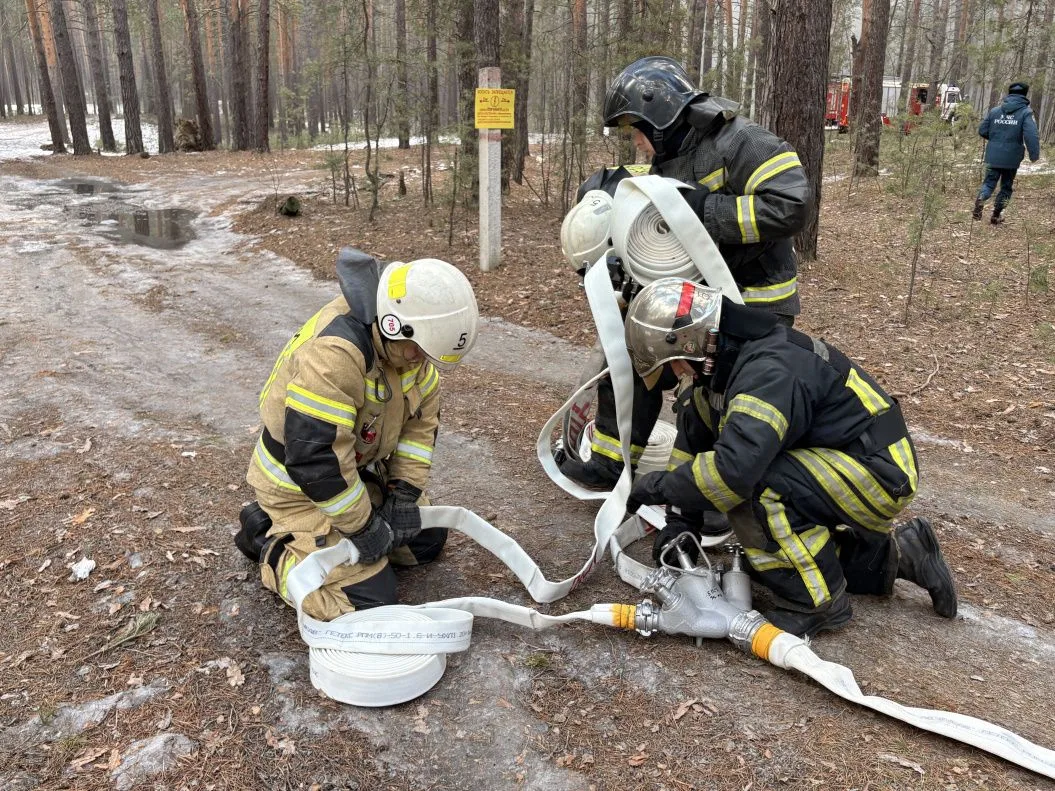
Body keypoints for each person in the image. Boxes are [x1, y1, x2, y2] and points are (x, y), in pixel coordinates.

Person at [622, 278, 957, 637]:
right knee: (767, 551)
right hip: (846, 460)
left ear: (689, 342)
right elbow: (694, 439)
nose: (677, 375)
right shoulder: (726, 370)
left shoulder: (768, 371)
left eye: (673, 364)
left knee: (756, 490)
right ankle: (899, 556)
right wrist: (680, 520)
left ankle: (817, 603)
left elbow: (734, 472)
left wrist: (659, 487)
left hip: (880, 471)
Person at [557, 55, 810, 490]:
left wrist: (705, 211)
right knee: (633, 357)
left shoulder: (741, 141)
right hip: (699, 299)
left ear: (660, 117)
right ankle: (609, 464)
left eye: (637, 129)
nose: (636, 141)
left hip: (752, 302)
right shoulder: (672, 156)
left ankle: (707, 495)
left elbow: (792, 205)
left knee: (713, 400)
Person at [234, 249, 479, 620]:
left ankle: (342, 530)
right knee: (368, 601)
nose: (421, 360)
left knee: (425, 542)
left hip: (355, 473)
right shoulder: (335, 355)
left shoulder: (408, 350)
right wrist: (363, 527)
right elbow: (317, 461)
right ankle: (270, 546)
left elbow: (419, 428)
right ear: (394, 324)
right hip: (301, 489)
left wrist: (403, 495)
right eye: (419, 350)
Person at [973, 82, 1041, 225]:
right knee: (1006, 186)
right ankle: (996, 215)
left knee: (989, 182)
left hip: (993, 155)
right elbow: (1031, 135)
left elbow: (982, 130)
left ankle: (981, 198)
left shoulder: (995, 111)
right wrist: (1034, 154)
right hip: (1011, 157)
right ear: (1025, 94)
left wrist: (997, 141)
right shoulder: (1026, 112)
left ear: (1009, 93)